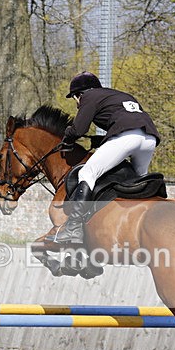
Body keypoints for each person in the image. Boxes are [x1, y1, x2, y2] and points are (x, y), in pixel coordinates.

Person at [52, 71, 160, 244]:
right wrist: (102, 140)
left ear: (79, 94)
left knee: (88, 173)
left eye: (75, 98)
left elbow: (79, 130)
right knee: (138, 180)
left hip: (126, 137)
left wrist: (67, 137)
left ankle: (73, 228)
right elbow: (126, 121)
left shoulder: (89, 96)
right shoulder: (119, 95)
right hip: (148, 139)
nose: (77, 103)